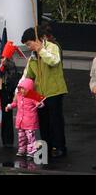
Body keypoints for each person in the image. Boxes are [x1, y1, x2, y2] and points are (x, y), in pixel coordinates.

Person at [21, 27, 68, 158]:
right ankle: (46, 146)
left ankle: (60, 147)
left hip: (54, 91)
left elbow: (54, 61)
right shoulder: (32, 57)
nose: (29, 47)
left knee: (56, 121)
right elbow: (27, 75)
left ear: (37, 40)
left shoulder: (52, 47)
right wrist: (20, 89)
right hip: (38, 95)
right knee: (43, 121)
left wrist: (40, 49)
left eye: (29, 44)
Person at [5, 78, 43, 159]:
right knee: (21, 136)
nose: (22, 90)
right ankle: (22, 149)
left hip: (30, 121)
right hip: (21, 121)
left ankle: (31, 151)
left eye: (24, 89)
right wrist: (9, 106)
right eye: (20, 88)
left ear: (29, 89)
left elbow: (40, 102)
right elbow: (15, 104)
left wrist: (40, 104)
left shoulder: (33, 96)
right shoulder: (19, 95)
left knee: (30, 137)